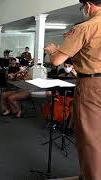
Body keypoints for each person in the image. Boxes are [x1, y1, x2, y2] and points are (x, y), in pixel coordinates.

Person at [44, 1, 101, 178]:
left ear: (89, 5)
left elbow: (57, 61)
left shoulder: (85, 27)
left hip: (92, 86)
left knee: (90, 140)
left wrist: (54, 50)